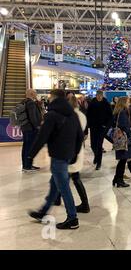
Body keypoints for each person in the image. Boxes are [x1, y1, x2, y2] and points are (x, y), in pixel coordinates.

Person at [27, 89, 84, 230]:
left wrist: (31, 155)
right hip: (67, 154)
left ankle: (73, 218)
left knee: (63, 188)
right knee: (54, 186)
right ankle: (43, 212)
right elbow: (80, 136)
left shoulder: (52, 115)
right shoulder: (73, 114)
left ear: (53, 98)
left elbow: (42, 136)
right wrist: (75, 153)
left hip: (58, 156)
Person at [54, 95, 90, 213]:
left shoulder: (69, 116)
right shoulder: (82, 115)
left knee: (68, 176)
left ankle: (84, 205)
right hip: (78, 149)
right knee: (70, 176)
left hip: (68, 149)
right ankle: (58, 198)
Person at [112, 97, 131, 188]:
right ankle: (119, 180)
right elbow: (124, 126)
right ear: (124, 103)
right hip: (124, 139)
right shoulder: (122, 113)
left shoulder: (118, 112)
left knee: (122, 160)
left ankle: (117, 178)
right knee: (123, 160)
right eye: (128, 102)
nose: (129, 103)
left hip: (120, 138)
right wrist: (130, 135)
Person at [86, 90, 112, 170]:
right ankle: (96, 156)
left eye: (100, 96)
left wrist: (106, 126)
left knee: (99, 145)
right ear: (96, 95)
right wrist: (88, 125)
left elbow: (110, 116)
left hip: (102, 127)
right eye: (98, 95)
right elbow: (88, 114)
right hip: (93, 127)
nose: (99, 97)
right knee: (93, 145)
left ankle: (99, 162)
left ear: (102, 96)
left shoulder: (106, 103)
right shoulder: (92, 103)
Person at [21, 89, 43, 172]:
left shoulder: (24, 102)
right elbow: (32, 117)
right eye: (35, 93)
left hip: (25, 127)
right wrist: (37, 126)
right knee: (29, 147)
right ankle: (28, 166)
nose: (36, 94)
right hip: (31, 129)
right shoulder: (31, 103)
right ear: (31, 94)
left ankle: (25, 165)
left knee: (26, 146)